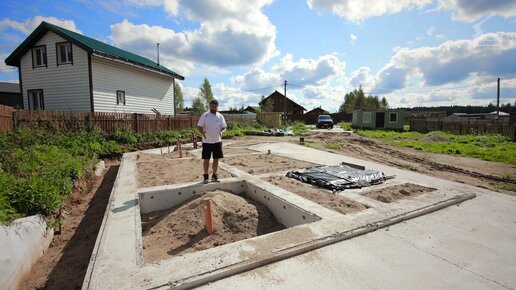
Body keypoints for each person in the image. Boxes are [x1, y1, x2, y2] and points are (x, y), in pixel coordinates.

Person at [197, 99, 227, 183]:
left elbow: (224, 127)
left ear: (217, 107)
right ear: (210, 106)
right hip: (207, 142)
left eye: (215, 106)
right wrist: (202, 131)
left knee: (216, 159)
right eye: (212, 106)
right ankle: (206, 175)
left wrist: (221, 131)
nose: (214, 108)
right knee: (206, 159)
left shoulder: (220, 116)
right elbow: (199, 126)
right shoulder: (205, 115)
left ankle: (214, 175)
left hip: (217, 141)